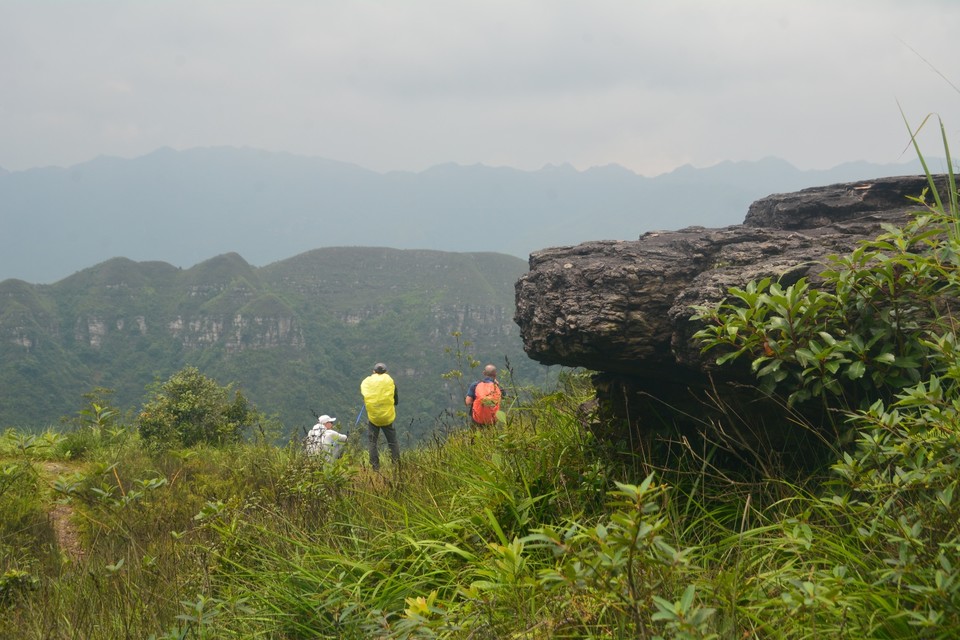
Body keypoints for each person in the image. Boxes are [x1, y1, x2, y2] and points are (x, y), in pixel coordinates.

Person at [360, 362, 400, 471]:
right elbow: (395, 401)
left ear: (374, 371)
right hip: (387, 418)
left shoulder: (368, 382)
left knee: (372, 442)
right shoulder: (390, 381)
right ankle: (396, 465)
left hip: (373, 417)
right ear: (386, 371)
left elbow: (365, 395)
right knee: (392, 442)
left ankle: (375, 467)